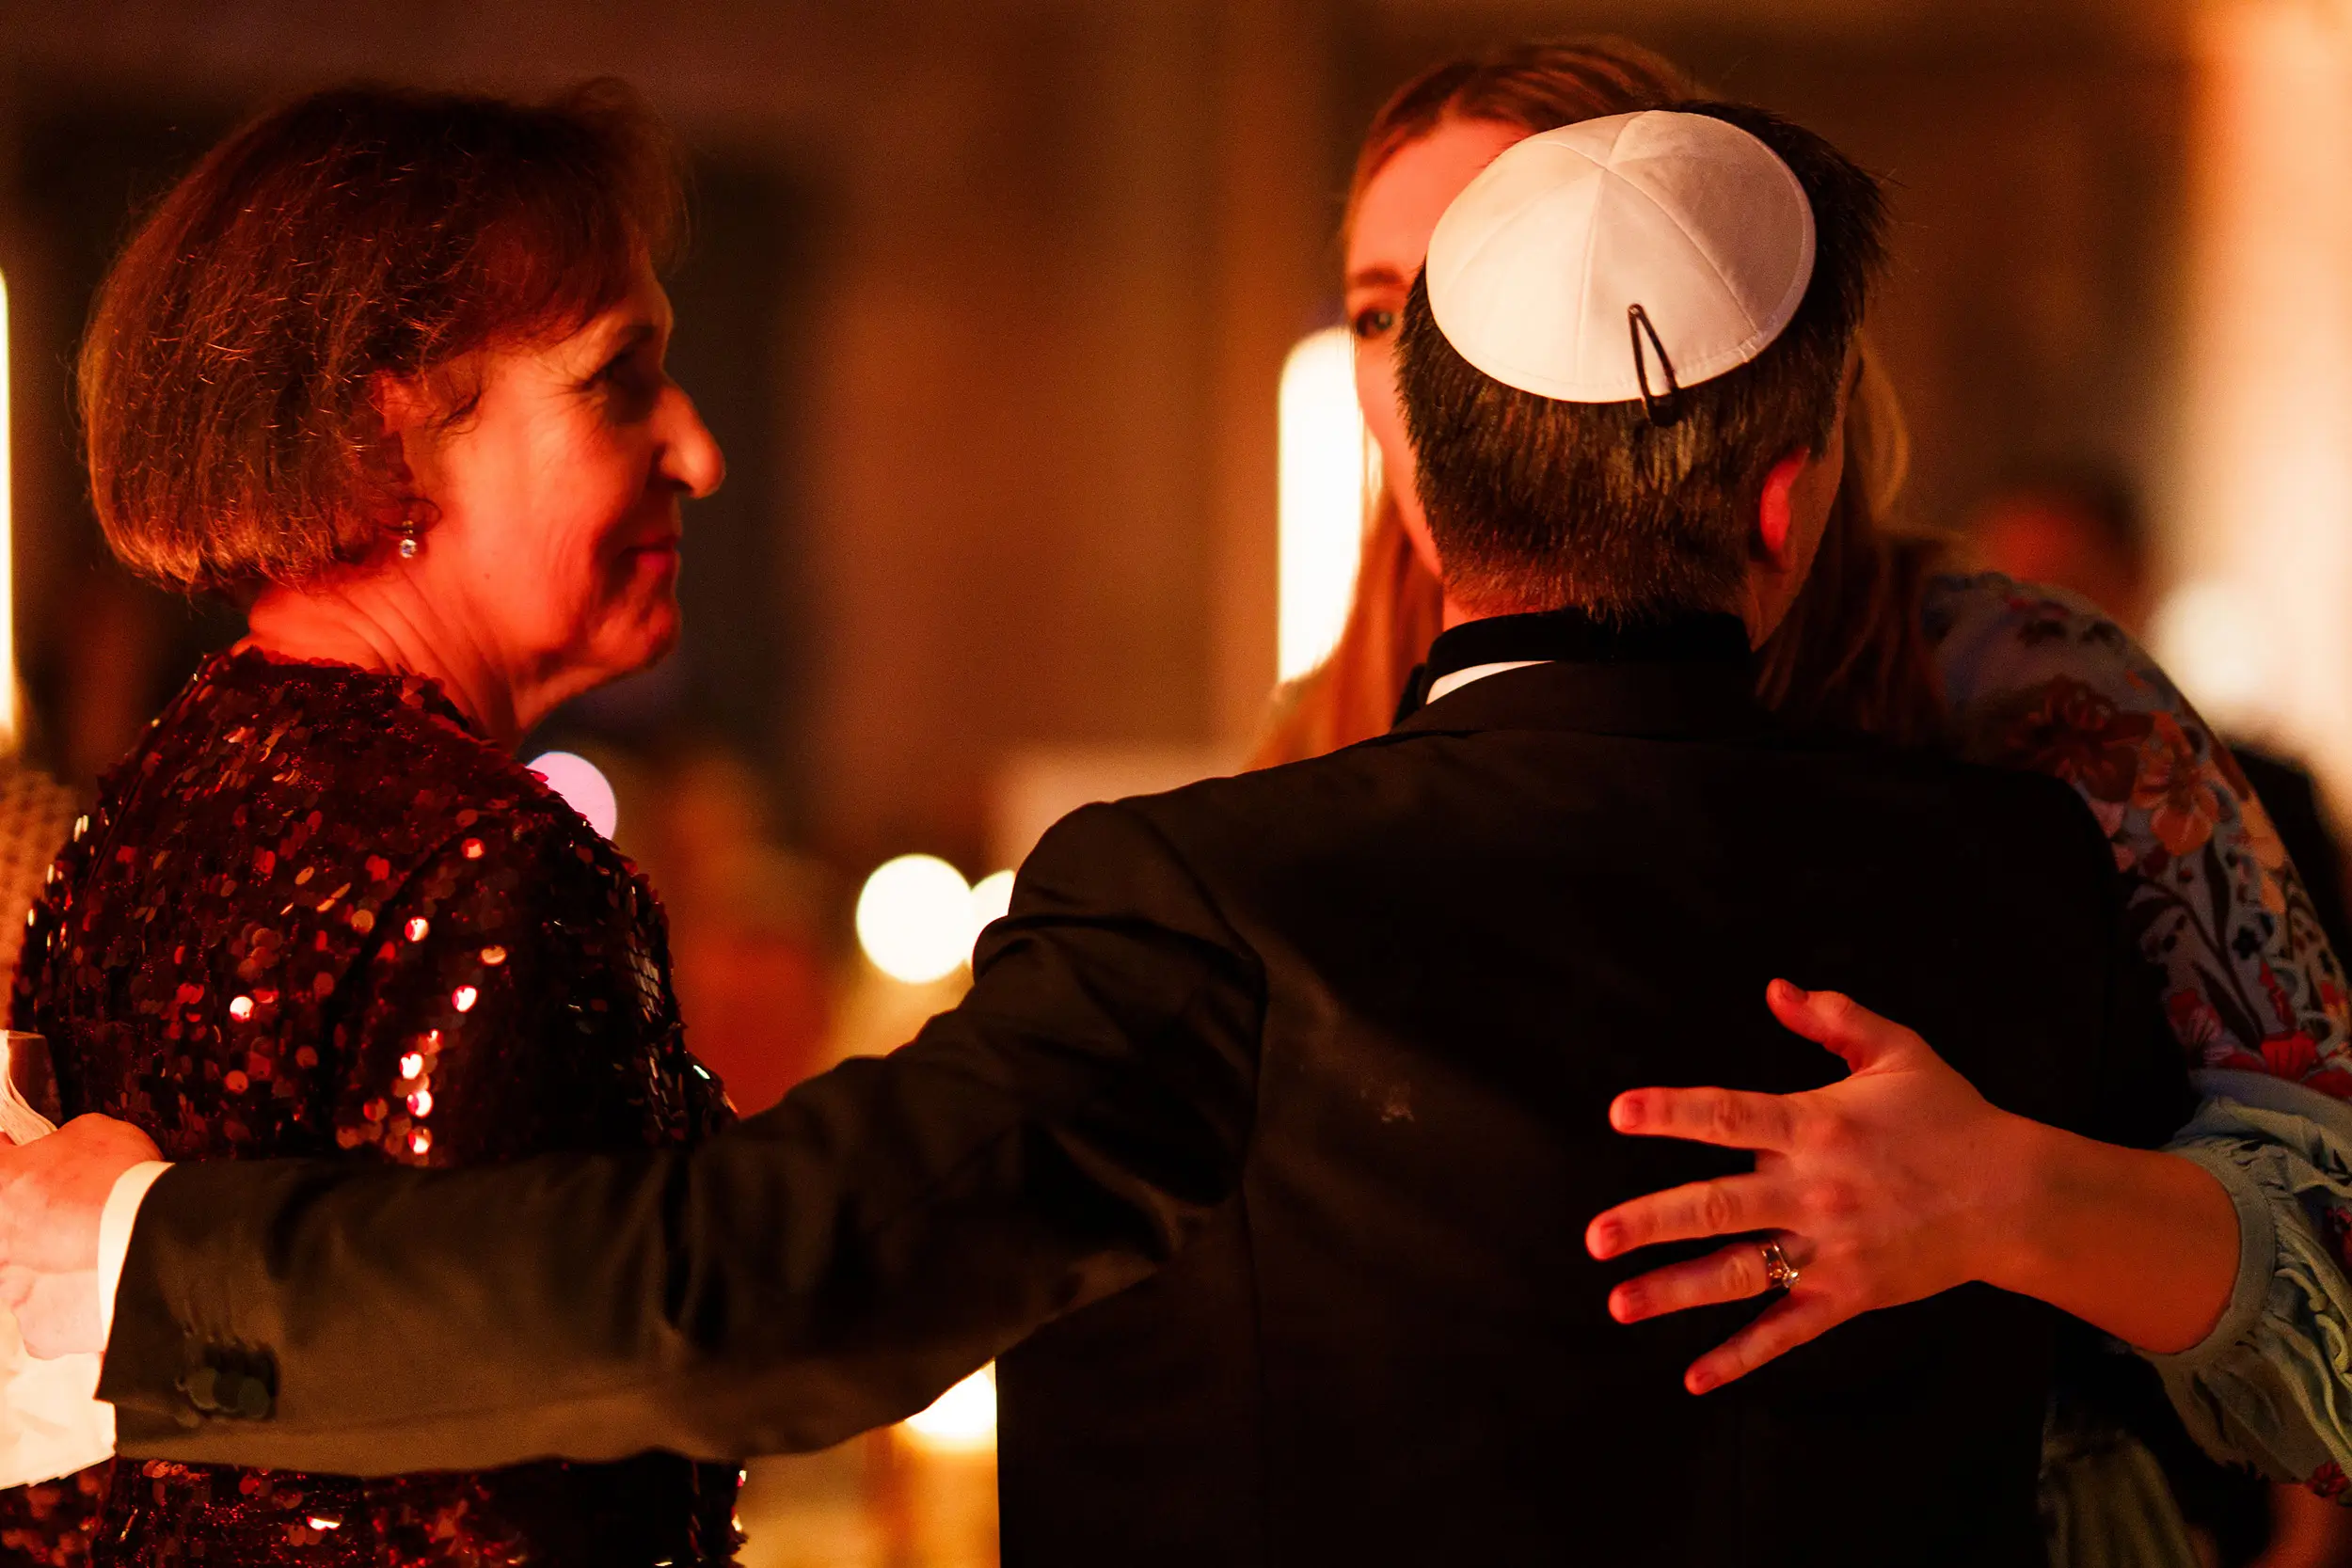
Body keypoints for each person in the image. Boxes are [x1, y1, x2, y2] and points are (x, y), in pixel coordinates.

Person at [0, 97, 2244, 1568]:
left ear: (1421, 482)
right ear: (1784, 497)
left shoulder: (1209, 898)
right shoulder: (2027, 865)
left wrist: (138, 1268)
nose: (693, 448)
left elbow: (753, 1285)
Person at [1264, 39, 2352, 1563]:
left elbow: (2330, 1245)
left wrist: (2008, 1193)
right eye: (1389, 313)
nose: (1439, 374)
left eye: (1496, 286)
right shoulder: (1319, 728)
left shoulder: (2027, 688)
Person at [0, 83, 737, 1566]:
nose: (700, 451)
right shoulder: (493, 872)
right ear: (384, 430)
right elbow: (549, 1496)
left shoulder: (145, 809)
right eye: (618, 379)